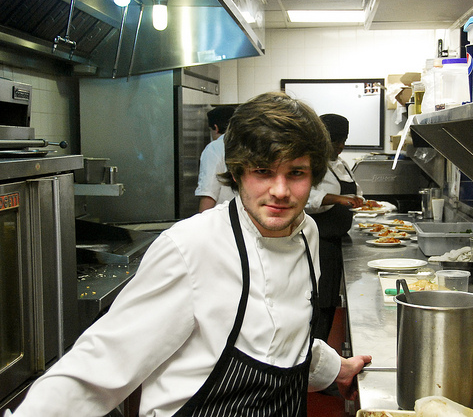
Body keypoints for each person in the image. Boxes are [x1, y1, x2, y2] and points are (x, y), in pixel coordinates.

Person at [7, 93, 371, 417]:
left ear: (313, 176)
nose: (280, 190)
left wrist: (336, 370)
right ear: (238, 172)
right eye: (263, 171)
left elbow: (281, 336)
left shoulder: (307, 233)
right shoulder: (190, 247)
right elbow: (101, 364)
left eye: (296, 173)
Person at [305, 113, 364, 342]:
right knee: (319, 303)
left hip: (337, 241)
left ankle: (321, 347)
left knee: (329, 300)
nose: (340, 146)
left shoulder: (342, 165)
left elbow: (356, 191)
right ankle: (312, 350)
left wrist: (360, 200)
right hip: (318, 243)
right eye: (336, 140)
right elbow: (306, 199)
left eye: (344, 140)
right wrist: (337, 199)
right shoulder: (311, 164)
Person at [195, 105, 237, 212]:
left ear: (216, 128)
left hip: (223, 216)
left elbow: (209, 193)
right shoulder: (247, 145)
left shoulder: (214, 148)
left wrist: (202, 220)